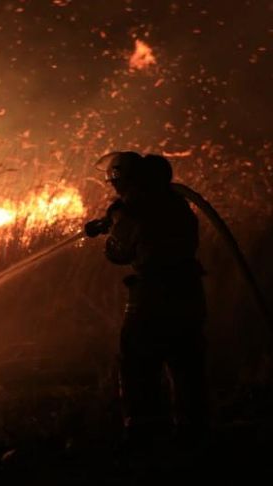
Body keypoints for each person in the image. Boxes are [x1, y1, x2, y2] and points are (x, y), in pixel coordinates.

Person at [85, 151, 208, 448]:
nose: (115, 188)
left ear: (125, 180)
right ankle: (194, 434)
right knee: (187, 364)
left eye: (117, 183)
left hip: (152, 296)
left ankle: (145, 435)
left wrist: (114, 224)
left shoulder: (131, 211)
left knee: (138, 363)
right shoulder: (178, 205)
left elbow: (118, 253)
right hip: (189, 293)